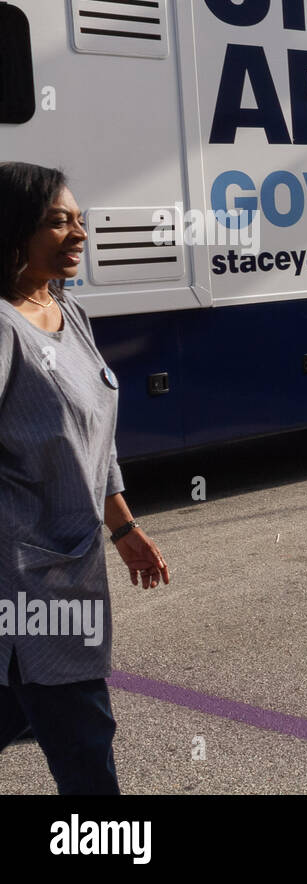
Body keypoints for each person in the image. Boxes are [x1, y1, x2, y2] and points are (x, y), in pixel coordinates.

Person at [0, 163, 170, 794]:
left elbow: (97, 433)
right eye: (57, 220)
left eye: (78, 219)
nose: (79, 233)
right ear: (13, 228)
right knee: (86, 747)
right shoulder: (3, 325)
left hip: (72, 566)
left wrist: (123, 525)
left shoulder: (69, 313)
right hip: (25, 585)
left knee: (30, 710)